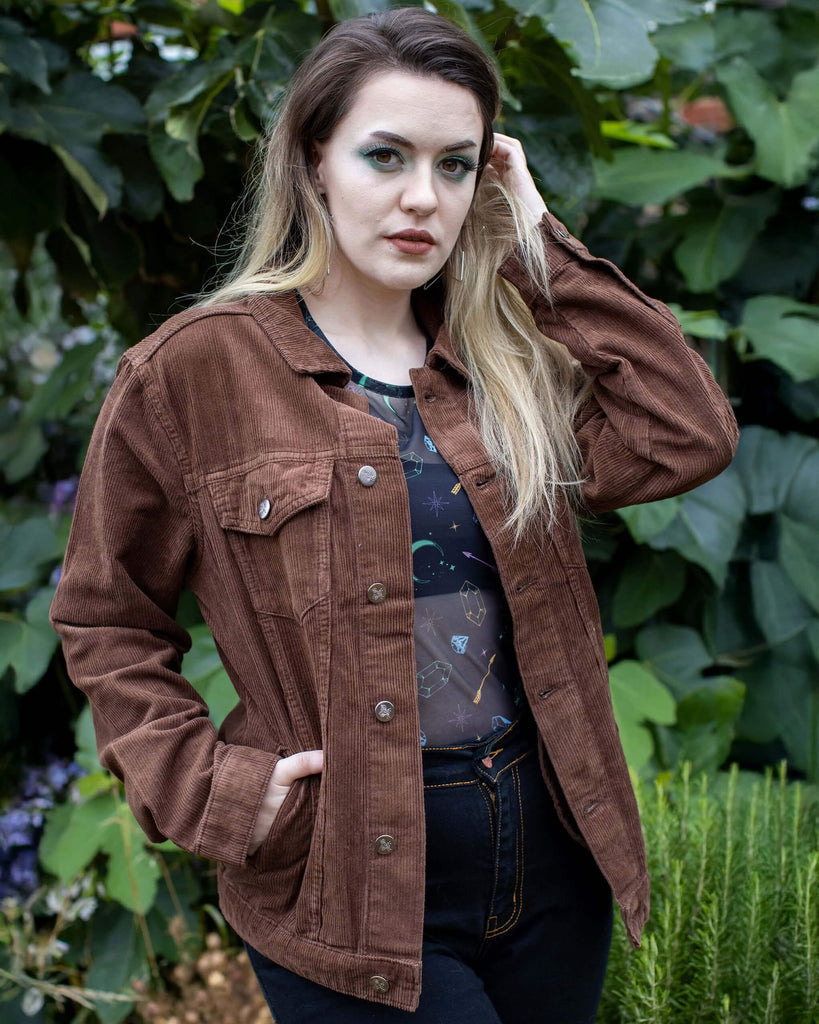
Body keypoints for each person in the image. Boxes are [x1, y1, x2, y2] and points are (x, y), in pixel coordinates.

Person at [50, 8, 739, 1023]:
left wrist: (534, 243)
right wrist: (212, 791)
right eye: (385, 156)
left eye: (455, 166)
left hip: (552, 868)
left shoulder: (502, 363)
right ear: (313, 163)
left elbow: (687, 432)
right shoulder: (193, 373)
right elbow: (105, 616)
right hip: (347, 891)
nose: (424, 197)